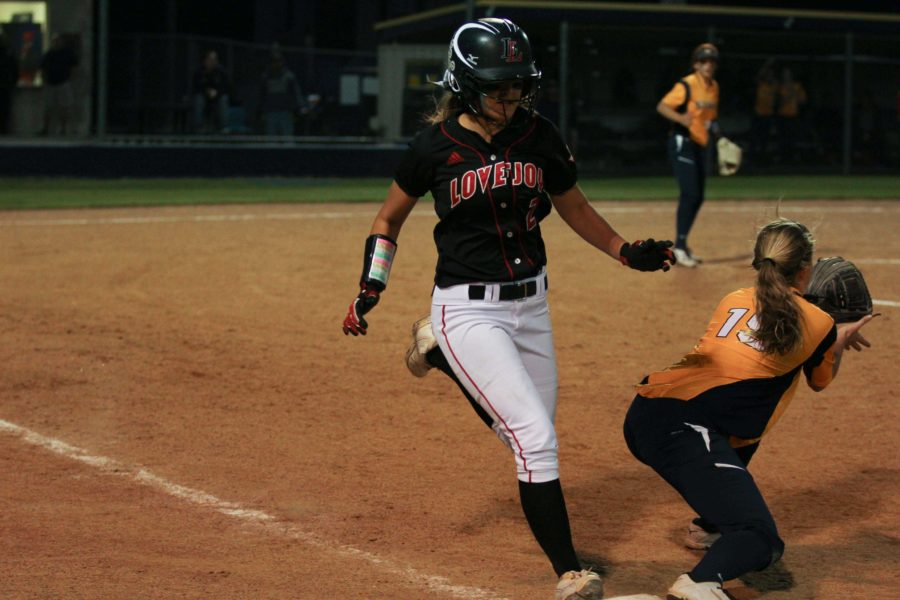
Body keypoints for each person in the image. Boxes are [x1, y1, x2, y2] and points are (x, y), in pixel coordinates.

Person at [341, 17, 675, 600]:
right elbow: (387, 220)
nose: (512, 95)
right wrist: (372, 287)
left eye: (518, 83)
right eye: (499, 85)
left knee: (526, 434)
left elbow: (572, 204)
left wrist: (626, 251)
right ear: (466, 84)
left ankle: (441, 359)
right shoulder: (434, 148)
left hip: (532, 306)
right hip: (467, 309)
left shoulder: (538, 134)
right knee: (535, 438)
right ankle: (570, 572)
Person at [622, 218, 875, 600]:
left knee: (750, 405)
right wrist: (837, 339)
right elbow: (819, 381)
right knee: (760, 541)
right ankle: (698, 584)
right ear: (805, 269)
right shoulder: (820, 323)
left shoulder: (734, 297)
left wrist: (827, 334)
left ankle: (709, 525)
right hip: (683, 431)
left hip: (647, 412)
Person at [656, 43, 721, 268]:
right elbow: (663, 107)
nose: (708, 65)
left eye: (711, 61)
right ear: (696, 64)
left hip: (700, 144)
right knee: (690, 193)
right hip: (682, 142)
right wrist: (680, 118)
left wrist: (719, 136)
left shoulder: (714, 87)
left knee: (699, 195)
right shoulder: (687, 84)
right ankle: (680, 247)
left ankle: (683, 245)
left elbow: (710, 118)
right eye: (703, 61)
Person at [257, 50, 304, 137]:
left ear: (282, 62)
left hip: (286, 113)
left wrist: (297, 108)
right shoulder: (265, 78)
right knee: (270, 140)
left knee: (288, 139)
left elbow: (296, 93)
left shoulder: (289, 77)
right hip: (271, 113)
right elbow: (261, 95)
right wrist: (260, 111)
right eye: (274, 61)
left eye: (278, 61)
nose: (276, 64)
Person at [39, 33, 78, 136]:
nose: (56, 43)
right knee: (48, 107)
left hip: (63, 83)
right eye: (54, 41)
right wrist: (44, 81)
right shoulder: (49, 54)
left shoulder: (67, 54)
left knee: (64, 107)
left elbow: (74, 68)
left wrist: (70, 80)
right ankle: (46, 128)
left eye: (58, 41)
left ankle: (63, 129)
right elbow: (43, 69)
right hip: (51, 83)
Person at [191, 50, 231, 133]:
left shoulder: (221, 72)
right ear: (205, 61)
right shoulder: (199, 72)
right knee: (198, 99)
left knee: (224, 99)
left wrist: (217, 93)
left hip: (218, 97)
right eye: (210, 59)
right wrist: (207, 91)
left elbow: (226, 87)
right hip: (204, 96)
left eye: (214, 59)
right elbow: (196, 87)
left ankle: (224, 128)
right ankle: (198, 127)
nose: (212, 62)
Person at [776, 66, 807, 162]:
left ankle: (791, 159)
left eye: (788, 74)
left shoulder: (797, 86)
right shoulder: (780, 87)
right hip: (782, 116)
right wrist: (788, 96)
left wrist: (794, 93)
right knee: (782, 139)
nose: (786, 76)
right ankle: (782, 158)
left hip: (793, 116)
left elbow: (802, 101)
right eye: (785, 74)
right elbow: (777, 103)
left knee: (793, 138)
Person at [749, 61, 778, 162]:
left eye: (772, 75)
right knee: (754, 138)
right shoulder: (761, 84)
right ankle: (751, 159)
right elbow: (759, 76)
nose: (770, 77)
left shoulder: (773, 86)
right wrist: (766, 64)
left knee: (764, 139)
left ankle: (762, 160)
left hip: (768, 115)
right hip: (758, 114)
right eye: (768, 75)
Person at [0, 32, 18, 134]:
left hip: (6, 84)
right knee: (5, 109)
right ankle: (4, 128)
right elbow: (15, 70)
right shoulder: (9, 54)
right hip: (6, 85)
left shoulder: (9, 54)